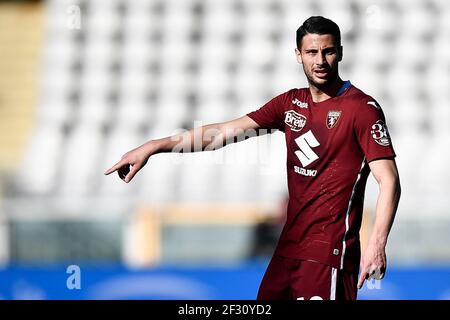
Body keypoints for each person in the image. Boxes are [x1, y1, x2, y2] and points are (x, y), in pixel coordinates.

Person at [105, 16, 401, 300]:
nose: (320, 61)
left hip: (329, 255)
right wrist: (155, 146)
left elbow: (388, 180)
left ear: (340, 52)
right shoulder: (290, 103)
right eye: (312, 52)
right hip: (287, 252)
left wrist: (376, 244)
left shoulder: (362, 109)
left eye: (328, 51)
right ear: (298, 54)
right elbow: (221, 133)